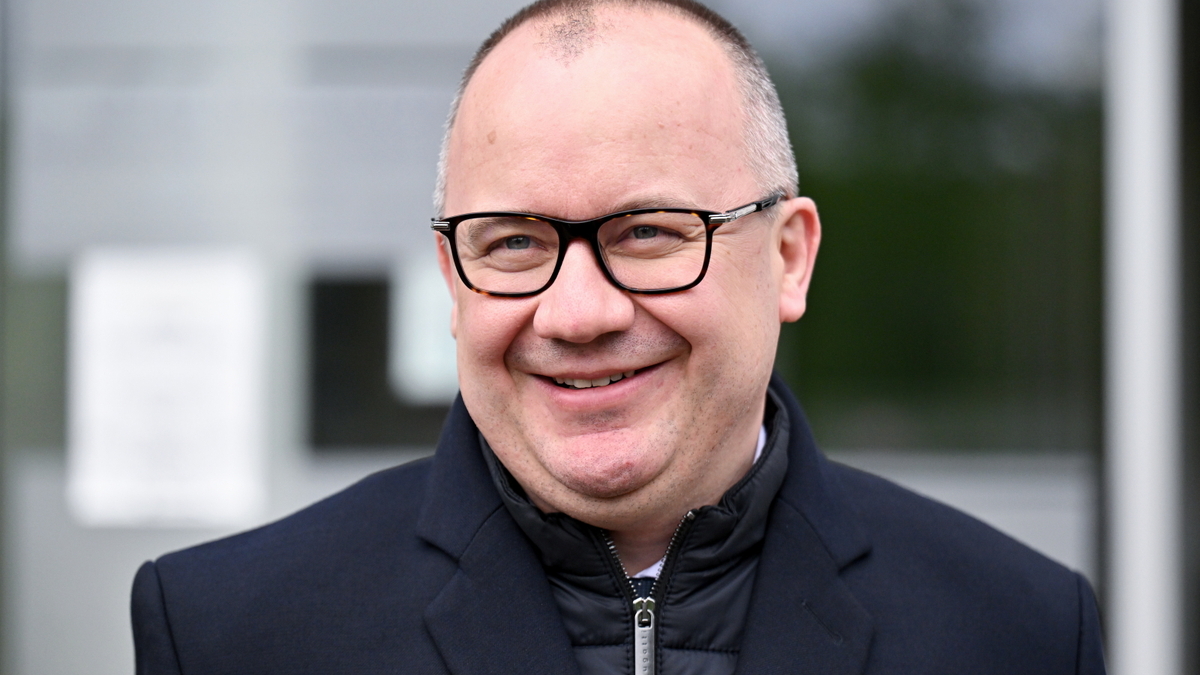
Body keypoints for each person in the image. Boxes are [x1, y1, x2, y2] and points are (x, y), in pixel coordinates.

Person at [131, 1, 1106, 673]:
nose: (578, 312)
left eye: (646, 233)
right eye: (513, 242)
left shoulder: (1013, 631)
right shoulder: (232, 634)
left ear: (788, 258)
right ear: (452, 282)